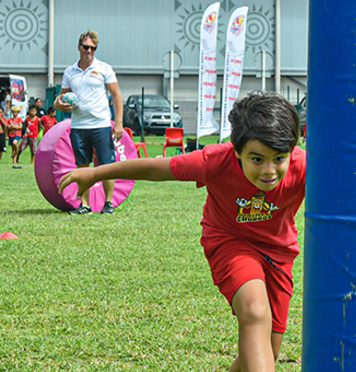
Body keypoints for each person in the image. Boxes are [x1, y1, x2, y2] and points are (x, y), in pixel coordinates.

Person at [58, 91, 305, 372]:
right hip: (230, 242)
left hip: (279, 253)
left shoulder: (307, 167)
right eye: (257, 159)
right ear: (237, 150)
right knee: (255, 310)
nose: (269, 171)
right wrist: (94, 174)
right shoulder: (215, 161)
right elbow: (155, 168)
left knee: (265, 353)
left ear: (292, 150)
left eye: (279, 158)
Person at [54, 29, 124, 215]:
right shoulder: (70, 71)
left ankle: (108, 203)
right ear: (79, 47)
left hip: (101, 124)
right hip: (78, 126)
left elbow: (117, 96)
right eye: (86, 47)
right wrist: (59, 105)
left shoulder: (104, 68)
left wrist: (118, 123)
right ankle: (84, 205)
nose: (89, 51)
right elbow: (61, 98)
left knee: (106, 165)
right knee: (82, 166)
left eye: (93, 48)